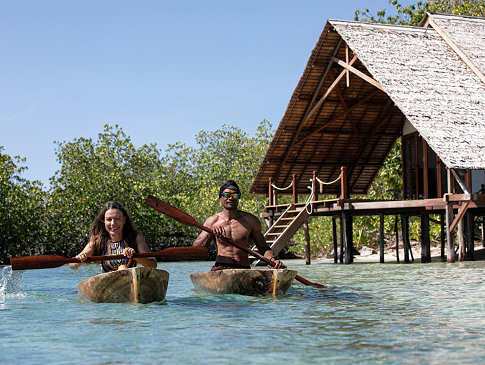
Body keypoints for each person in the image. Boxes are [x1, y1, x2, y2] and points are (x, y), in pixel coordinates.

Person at [193, 180, 285, 271]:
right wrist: (210, 231)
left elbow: (263, 248)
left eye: (234, 195)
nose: (230, 198)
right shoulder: (212, 222)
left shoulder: (251, 221)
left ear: (238, 197)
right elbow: (196, 250)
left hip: (243, 269)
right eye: (226, 195)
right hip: (220, 269)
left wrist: (273, 260)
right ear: (220, 197)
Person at [70, 201, 157, 271]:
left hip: (131, 278)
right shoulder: (97, 241)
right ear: (104, 221)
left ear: (124, 220)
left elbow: (153, 265)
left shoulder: (135, 237)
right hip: (108, 285)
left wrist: (135, 256)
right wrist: (79, 259)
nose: (113, 223)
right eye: (109, 219)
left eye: (117, 219)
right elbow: (72, 265)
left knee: (123, 268)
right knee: (122, 268)